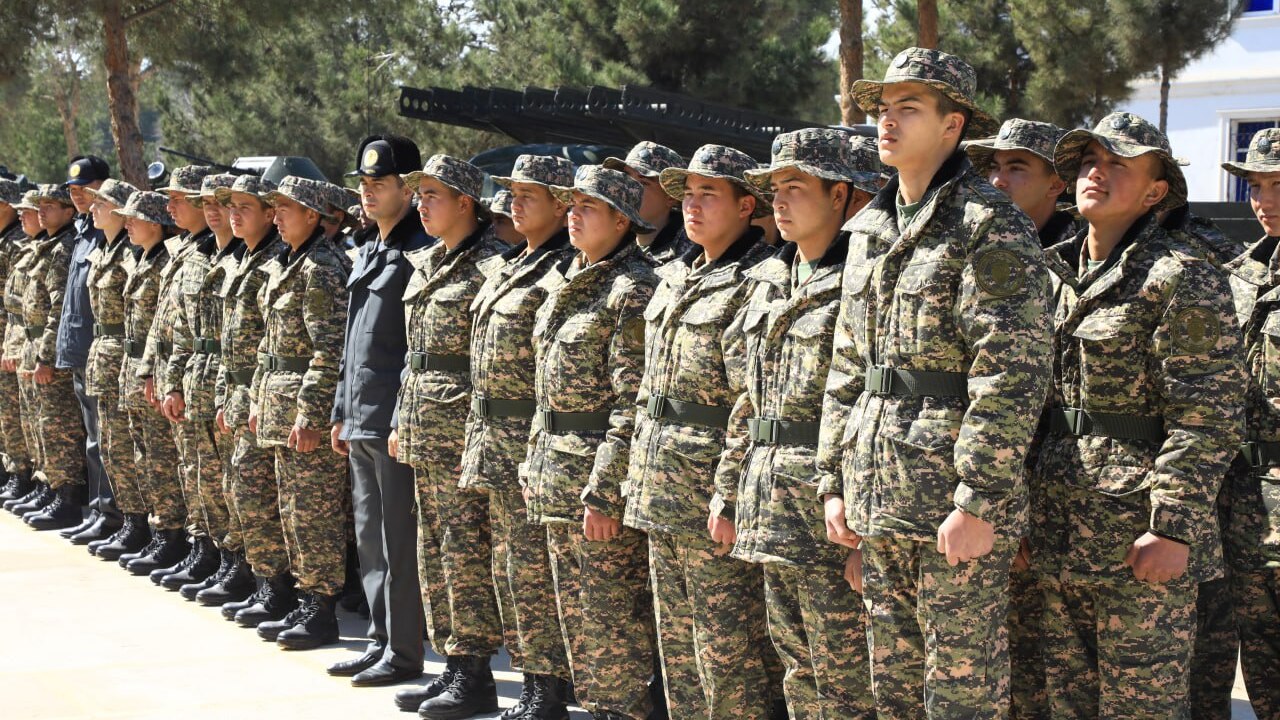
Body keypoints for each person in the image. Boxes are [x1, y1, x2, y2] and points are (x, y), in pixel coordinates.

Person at [817, 47, 1052, 719]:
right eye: (884, 108)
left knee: (961, 689)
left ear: (954, 125)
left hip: (950, 499)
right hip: (877, 487)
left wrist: (978, 499)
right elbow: (848, 366)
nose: (887, 121)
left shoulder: (989, 224)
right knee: (892, 686)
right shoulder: (869, 228)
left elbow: (1011, 371)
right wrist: (833, 479)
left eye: (909, 108)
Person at [1032, 111, 1244, 718]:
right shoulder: (1051, 274)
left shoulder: (1181, 278)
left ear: (1155, 192)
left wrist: (1173, 527)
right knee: (1066, 705)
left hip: (1138, 538)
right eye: (1089, 161)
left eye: (1118, 164)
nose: (1097, 173)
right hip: (1057, 528)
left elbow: (1207, 413)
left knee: (1141, 708)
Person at [718, 128, 878, 720]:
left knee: (846, 677)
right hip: (769, 502)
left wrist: (863, 528)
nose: (779, 201)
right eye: (775, 189)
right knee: (797, 666)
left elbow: (865, 406)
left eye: (795, 187)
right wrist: (727, 490)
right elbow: (747, 401)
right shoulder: (768, 280)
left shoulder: (863, 280)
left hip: (827, 511)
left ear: (839, 194)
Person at [624, 144, 778, 719]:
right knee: (680, 653)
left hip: (707, 494)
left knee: (727, 653)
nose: (692, 204)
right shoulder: (675, 276)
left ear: (746, 205)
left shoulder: (756, 282)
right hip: (658, 489)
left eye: (708, 193)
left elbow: (750, 403)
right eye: (687, 194)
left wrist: (729, 494)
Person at [527, 166, 660, 720]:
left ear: (622, 221)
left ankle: (622, 710)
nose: (574, 216)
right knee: (577, 616)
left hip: (594, 481)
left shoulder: (632, 289)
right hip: (555, 473)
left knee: (611, 618)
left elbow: (632, 403)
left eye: (589, 207)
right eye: (573, 205)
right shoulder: (571, 278)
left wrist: (605, 491)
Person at [388, 154, 508, 718]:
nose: (421, 205)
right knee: (434, 552)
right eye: (419, 195)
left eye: (432, 195)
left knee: (465, 555)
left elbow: (491, 367)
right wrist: (399, 419)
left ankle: (476, 671)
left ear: (465, 202)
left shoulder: (492, 267)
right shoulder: (427, 262)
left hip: (461, 435)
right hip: (423, 430)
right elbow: (415, 357)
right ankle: (453, 663)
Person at [963, 117, 1074, 720]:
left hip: (1058, 507)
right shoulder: (974, 250)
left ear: (1058, 183)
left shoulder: (1074, 264)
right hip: (986, 506)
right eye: (993, 167)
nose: (998, 180)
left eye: (1017, 168)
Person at [464, 154, 577, 719]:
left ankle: (550, 687)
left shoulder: (563, 272)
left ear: (560, 205)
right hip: (496, 439)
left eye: (529, 194)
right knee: (510, 569)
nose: (514, 203)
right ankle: (532, 678)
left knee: (535, 574)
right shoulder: (512, 265)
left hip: (532, 443)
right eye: (512, 193)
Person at [328, 134, 434, 687]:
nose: (367, 193)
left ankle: (404, 651)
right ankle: (379, 638)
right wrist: (340, 410)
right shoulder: (370, 248)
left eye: (380, 183)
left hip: (392, 419)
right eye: (364, 184)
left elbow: (418, 349)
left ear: (408, 189)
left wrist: (400, 419)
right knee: (370, 538)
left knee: (399, 541)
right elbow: (353, 342)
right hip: (361, 416)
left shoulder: (420, 253)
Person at [246, 176, 350, 650]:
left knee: (314, 513)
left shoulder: (322, 269)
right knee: (291, 508)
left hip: (303, 413)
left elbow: (329, 350)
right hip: (277, 404)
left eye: (286, 209)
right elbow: (267, 344)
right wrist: (257, 400)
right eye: (275, 208)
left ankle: (320, 607)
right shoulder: (286, 263)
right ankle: (302, 597)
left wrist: (311, 416)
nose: (277, 216)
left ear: (313, 215)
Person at [208, 174, 294, 621]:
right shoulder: (244, 259)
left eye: (245, 207)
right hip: (241, 392)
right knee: (240, 489)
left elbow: (270, 343)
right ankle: (259, 578)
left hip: (266, 396)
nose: (234, 214)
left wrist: (255, 397)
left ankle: (277, 587)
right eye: (231, 207)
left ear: (268, 213)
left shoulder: (275, 263)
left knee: (261, 495)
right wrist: (225, 396)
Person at [1217, 126, 1280, 720]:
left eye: (1278, 185)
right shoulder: (1240, 274)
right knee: (1261, 666)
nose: (1263, 200)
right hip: (1243, 503)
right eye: (1256, 186)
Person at [157, 173, 244, 596]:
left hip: (227, 383)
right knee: (200, 474)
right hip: (197, 377)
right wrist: (172, 382)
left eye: (219, 203)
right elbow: (180, 330)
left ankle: (238, 562)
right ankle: (210, 551)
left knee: (232, 480)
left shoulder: (247, 258)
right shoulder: (199, 256)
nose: (212, 211)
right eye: (205, 203)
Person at [105, 191, 178, 563]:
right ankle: (148, 527)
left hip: (153, 370)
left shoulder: (165, 262)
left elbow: (162, 328)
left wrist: (152, 372)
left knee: (161, 459)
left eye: (134, 218)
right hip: (132, 366)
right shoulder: (141, 259)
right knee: (140, 455)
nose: (127, 224)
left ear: (155, 223)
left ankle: (170, 534)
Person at [79, 179, 149, 560]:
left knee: (126, 447)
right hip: (102, 358)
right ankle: (122, 518)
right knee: (109, 446)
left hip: (123, 357)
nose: (92, 209)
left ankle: (136, 523)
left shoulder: (129, 256)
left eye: (101, 204)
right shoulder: (104, 251)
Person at [19, 183, 90, 531]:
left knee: (59, 427)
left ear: (68, 212)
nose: (41, 211)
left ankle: (67, 497)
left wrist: (46, 357)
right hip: (34, 345)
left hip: (50, 352)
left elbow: (57, 309)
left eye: (50, 205)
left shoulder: (63, 249)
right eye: (40, 205)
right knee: (42, 424)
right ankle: (50, 486)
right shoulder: (45, 245)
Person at [59, 155, 118, 543]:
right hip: (82, 350)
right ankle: (98, 510)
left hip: (100, 352)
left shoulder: (106, 231)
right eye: (73, 190)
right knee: (92, 438)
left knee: (104, 440)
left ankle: (110, 513)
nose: (78, 195)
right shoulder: (84, 229)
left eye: (86, 188)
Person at [0, 179, 35, 506]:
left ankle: (20, 472)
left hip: (10, 337)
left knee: (14, 409)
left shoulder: (16, 243)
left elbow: (18, 302)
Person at [602, 142, 691, 265]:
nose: (628, 188)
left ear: (671, 197)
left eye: (643, 183)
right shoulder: (605, 241)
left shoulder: (689, 254)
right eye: (626, 178)